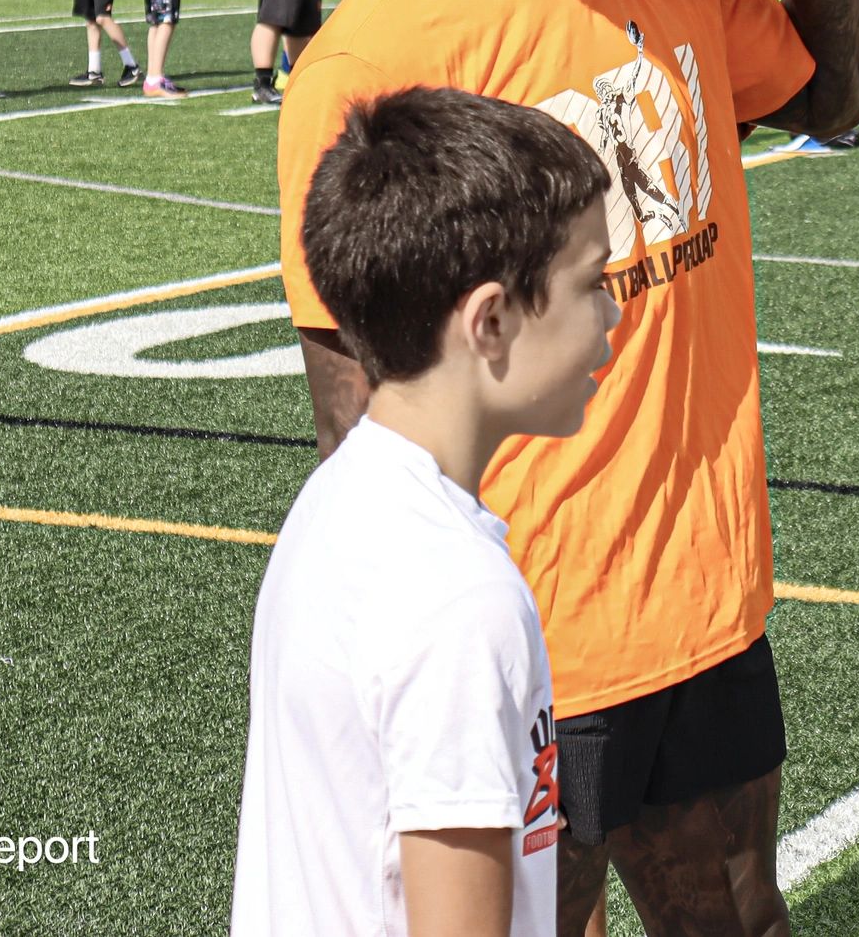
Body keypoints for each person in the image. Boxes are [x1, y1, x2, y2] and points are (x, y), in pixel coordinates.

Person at [273, 0, 859, 937]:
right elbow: (351, 418)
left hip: (708, 594)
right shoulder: (374, 63)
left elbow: (836, 101)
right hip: (524, 630)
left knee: (739, 915)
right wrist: (445, 655)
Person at [236, 87, 618, 937]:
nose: (614, 312)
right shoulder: (457, 599)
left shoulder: (343, 496)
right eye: (591, 283)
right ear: (490, 320)